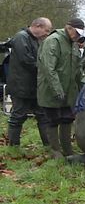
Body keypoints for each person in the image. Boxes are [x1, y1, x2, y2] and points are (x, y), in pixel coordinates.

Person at [37, 17, 85, 158]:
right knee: (52, 120)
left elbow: (78, 69)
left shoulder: (74, 44)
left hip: (69, 91)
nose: (77, 35)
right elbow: (48, 68)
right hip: (50, 90)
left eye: (79, 33)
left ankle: (67, 149)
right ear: (68, 28)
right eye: (75, 32)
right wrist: (57, 90)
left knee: (67, 118)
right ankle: (55, 150)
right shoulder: (53, 41)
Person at [5, 17, 53, 146]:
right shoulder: (21, 37)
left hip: (34, 86)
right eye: (46, 30)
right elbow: (27, 61)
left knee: (43, 115)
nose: (47, 34)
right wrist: (45, 69)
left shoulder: (36, 40)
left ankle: (49, 145)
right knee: (18, 116)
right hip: (20, 86)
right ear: (37, 26)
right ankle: (13, 146)